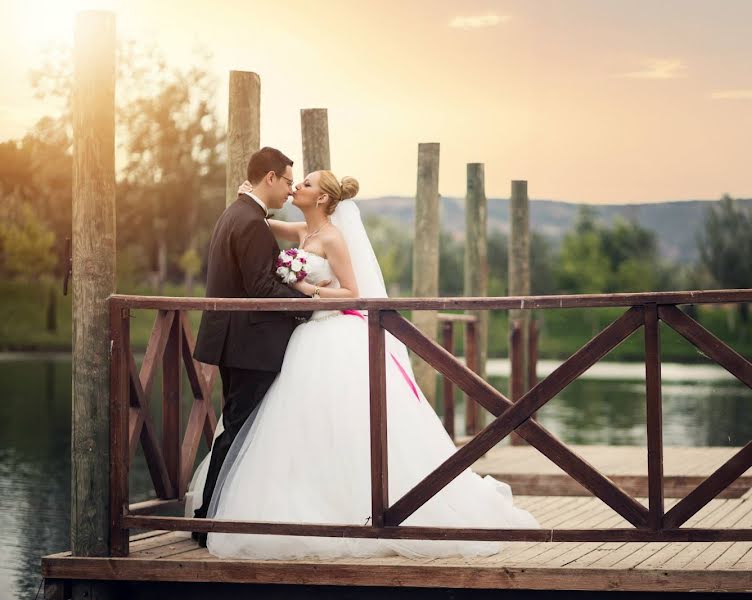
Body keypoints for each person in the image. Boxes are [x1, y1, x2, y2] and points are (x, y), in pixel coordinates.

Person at [186, 170, 539, 559]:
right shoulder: (303, 230)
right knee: (300, 422)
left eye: (305, 184)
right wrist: (249, 195)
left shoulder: (334, 238)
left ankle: (362, 506)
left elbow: (352, 292)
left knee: (345, 419)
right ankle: (308, 497)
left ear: (321, 199)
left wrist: (306, 289)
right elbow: (262, 222)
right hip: (304, 339)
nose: (296, 187)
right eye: (295, 181)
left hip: (331, 333)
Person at [191, 147, 312, 547]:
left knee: (237, 427)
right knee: (239, 430)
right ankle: (208, 518)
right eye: (288, 181)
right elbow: (261, 287)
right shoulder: (252, 224)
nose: (290, 191)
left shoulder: (237, 214)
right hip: (250, 345)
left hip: (233, 340)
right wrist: (308, 306)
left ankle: (217, 512)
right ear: (270, 177)